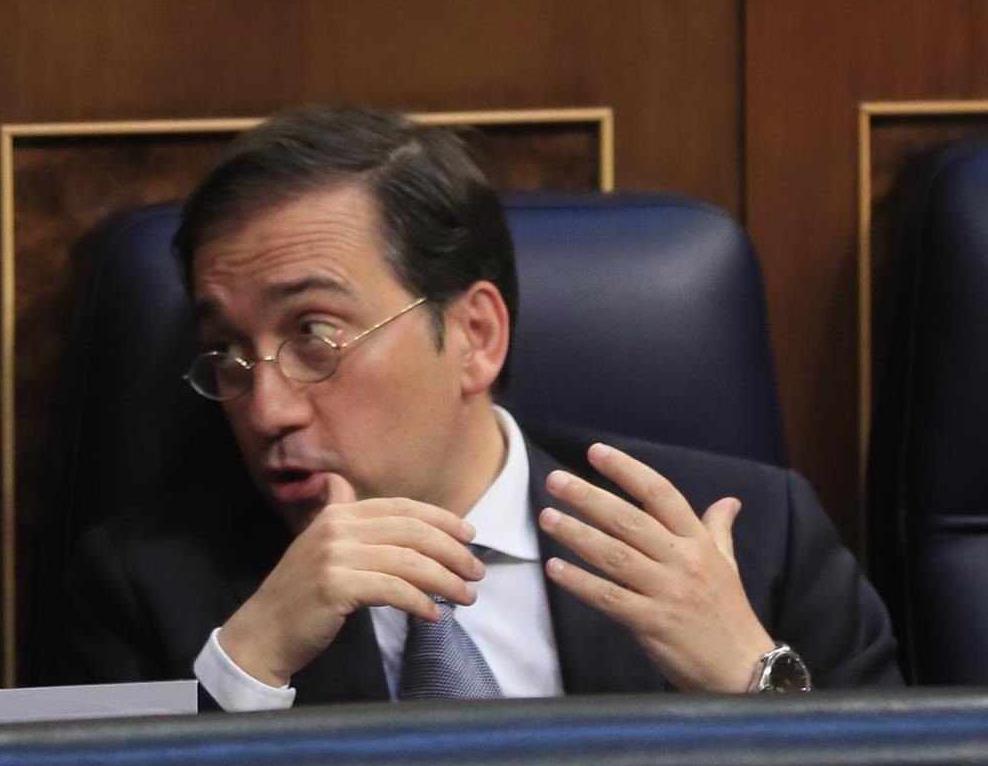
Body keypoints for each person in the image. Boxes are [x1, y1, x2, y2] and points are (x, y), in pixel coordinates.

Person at [57, 105, 900, 709]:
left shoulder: (755, 541)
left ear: (474, 335)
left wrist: (756, 687)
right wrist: (249, 664)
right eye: (230, 355)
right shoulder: (146, 588)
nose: (266, 406)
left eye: (316, 334)